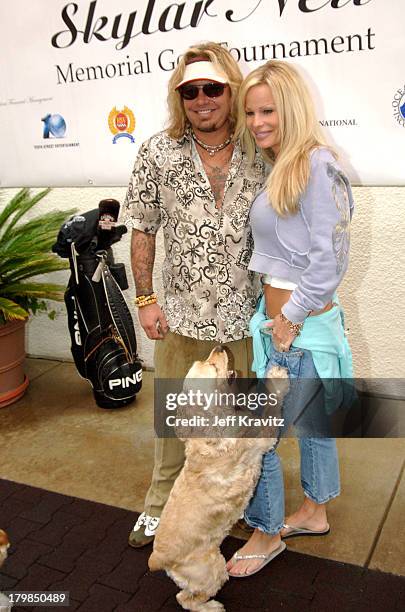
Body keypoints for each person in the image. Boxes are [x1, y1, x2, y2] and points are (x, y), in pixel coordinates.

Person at [123, 42, 266, 548]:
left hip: (247, 319)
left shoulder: (260, 150)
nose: (202, 99)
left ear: (231, 89)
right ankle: (159, 507)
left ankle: (240, 507)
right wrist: (144, 299)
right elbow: (141, 228)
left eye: (213, 88)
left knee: (243, 425)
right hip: (180, 318)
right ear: (179, 97)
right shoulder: (158, 153)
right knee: (172, 424)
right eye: (191, 91)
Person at [226, 60, 354, 577]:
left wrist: (289, 319)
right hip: (292, 328)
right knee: (312, 427)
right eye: (251, 112)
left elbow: (330, 261)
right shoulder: (286, 164)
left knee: (259, 437)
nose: (257, 122)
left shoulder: (315, 165)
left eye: (268, 110)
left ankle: (264, 530)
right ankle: (315, 512)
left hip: (297, 332)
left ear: (292, 107)